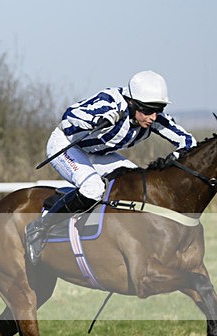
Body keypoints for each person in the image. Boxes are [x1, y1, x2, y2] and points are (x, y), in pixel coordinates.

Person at [25, 70, 197, 265]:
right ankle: (39, 228)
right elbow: (69, 116)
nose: (153, 117)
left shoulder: (154, 118)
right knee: (93, 188)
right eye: (148, 110)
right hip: (66, 145)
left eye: (158, 110)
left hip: (98, 154)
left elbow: (187, 140)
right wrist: (97, 120)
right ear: (132, 103)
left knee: (137, 184)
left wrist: (176, 155)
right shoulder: (110, 101)